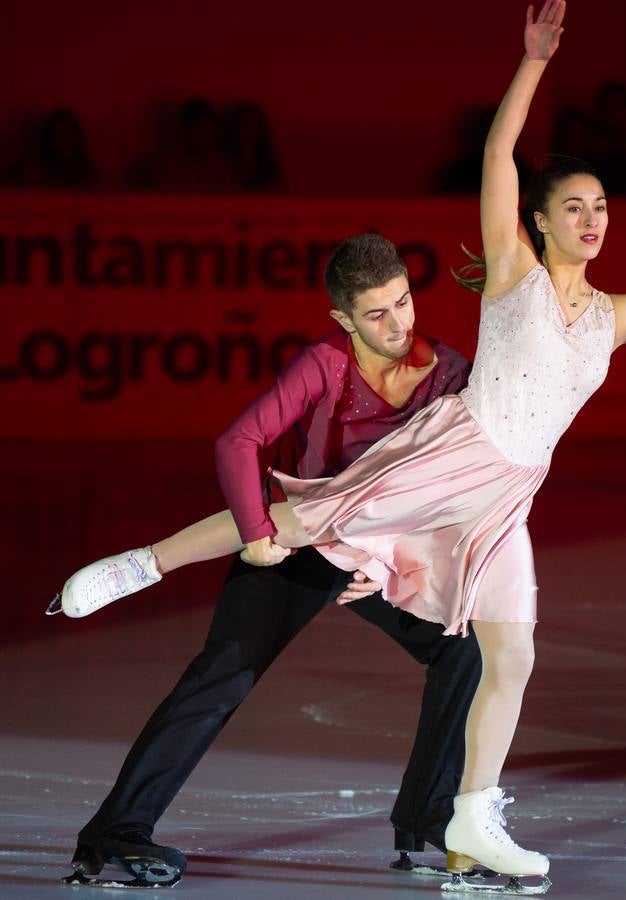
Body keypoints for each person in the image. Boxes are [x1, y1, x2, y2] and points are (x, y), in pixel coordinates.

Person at [55, 0, 626, 886]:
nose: (594, 219)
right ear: (538, 221)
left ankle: (462, 825)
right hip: (447, 462)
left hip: (504, 493)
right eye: (575, 207)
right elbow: (499, 155)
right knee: (295, 528)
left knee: (504, 651)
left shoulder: (619, 316)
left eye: (602, 206)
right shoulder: (511, 275)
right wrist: (531, 63)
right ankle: (141, 568)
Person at [51, 233, 487, 888]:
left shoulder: (447, 372)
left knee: (460, 649)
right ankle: (115, 832)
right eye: (376, 314)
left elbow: (454, 485)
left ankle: (427, 810)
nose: (397, 325)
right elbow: (238, 441)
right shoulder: (324, 363)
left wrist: (402, 559)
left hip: (374, 553)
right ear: (342, 318)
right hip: (296, 544)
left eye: (402, 303)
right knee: (222, 676)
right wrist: (255, 533)